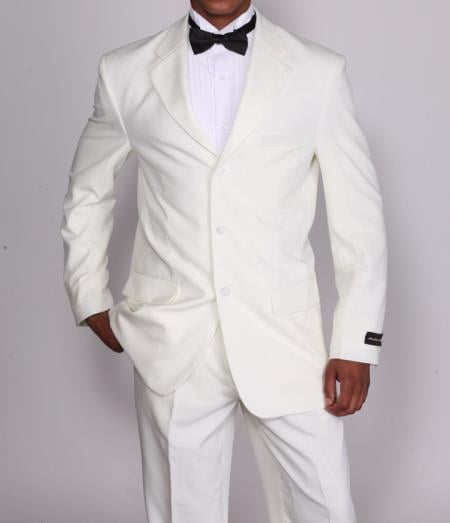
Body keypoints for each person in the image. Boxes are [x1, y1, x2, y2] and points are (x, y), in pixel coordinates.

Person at [60, 1, 387, 521]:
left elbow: (359, 219)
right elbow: (88, 191)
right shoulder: (124, 72)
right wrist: (89, 297)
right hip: (173, 340)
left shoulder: (319, 73)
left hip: (288, 340)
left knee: (325, 509)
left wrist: (356, 342)